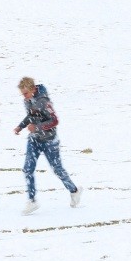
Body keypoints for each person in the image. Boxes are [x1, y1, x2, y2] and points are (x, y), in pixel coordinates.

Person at [13, 76, 80, 215]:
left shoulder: (44, 101)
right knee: (27, 169)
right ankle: (32, 201)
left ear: (32, 89)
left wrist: (36, 128)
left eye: (25, 93)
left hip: (50, 141)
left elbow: (54, 121)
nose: (24, 97)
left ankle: (74, 190)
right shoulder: (27, 100)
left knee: (57, 170)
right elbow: (31, 116)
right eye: (22, 94)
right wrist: (21, 126)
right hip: (34, 140)